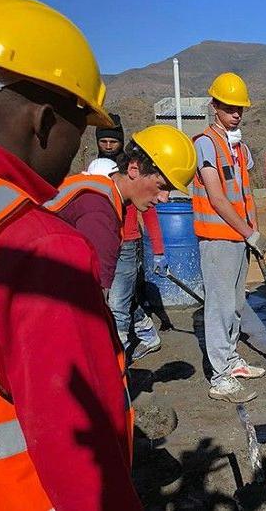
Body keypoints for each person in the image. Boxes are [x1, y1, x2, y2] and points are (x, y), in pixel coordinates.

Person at [0, 0, 142, 510]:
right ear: (44, 122)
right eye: (80, 132)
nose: (79, 151)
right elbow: (80, 454)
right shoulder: (41, 248)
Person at [46, 125, 197, 362]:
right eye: (161, 186)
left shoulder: (98, 191)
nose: (164, 198)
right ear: (134, 168)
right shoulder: (100, 214)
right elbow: (93, 312)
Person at [192, 72, 266, 403]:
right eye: (229, 107)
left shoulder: (236, 146)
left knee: (236, 305)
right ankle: (220, 376)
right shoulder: (206, 143)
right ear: (214, 106)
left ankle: (231, 359)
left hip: (238, 238)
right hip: (219, 237)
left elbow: (243, 192)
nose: (236, 113)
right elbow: (217, 197)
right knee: (220, 306)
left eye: (240, 108)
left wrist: (250, 232)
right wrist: (250, 232)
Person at [94, 114, 170, 360]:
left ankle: (119, 357)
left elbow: (148, 213)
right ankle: (146, 335)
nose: (107, 146)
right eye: (103, 141)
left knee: (117, 304)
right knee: (120, 300)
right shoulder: (97, 172)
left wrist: (158, 250)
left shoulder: (135, 176)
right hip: (104, 243)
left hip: (127, 244)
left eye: (112, 141)